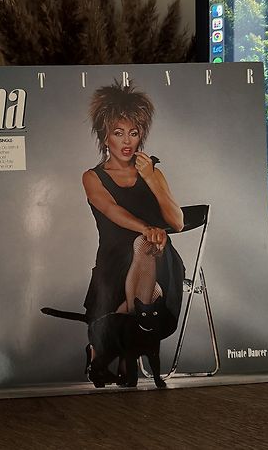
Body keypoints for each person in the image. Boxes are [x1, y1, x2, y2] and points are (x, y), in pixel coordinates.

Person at [82, 81, 186, 377]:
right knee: (143, 242)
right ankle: (126, 350)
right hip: (114, 263)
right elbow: (111, 210)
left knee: (146, 246)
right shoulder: (92, 177)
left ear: (141, 135)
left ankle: (102, 351)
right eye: (118, 133)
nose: (127, 141)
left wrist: (151, 178)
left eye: (134, 132)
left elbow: (178, 222)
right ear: (105, 137)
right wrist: (146, 227)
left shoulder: (153, 172)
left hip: (161, 262)